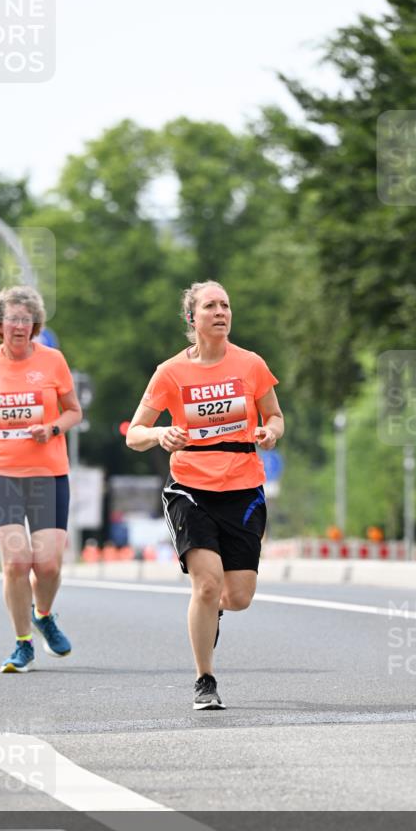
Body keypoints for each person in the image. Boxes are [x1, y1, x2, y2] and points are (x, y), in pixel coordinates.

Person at [127, 280, 284, 710]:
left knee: (238, 597)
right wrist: (161, 433)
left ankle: (211, 608)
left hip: (243, 488)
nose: (221, 312)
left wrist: (269, 432)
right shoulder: (171, 372)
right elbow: (135, 433)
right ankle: (205, 680)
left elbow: (274, 414)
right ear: (191, 318)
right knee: (207, 583)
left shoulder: (250, 365)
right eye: (211, 306)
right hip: (190, 488)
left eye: (226, 305)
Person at [0, 285, 82, 672]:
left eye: (26, 319)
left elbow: (73, 411)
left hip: (48, 474)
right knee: (15, 562)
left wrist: (53, 429)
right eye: (12, 318)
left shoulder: (53, 361)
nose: (19, 326)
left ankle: (43, 614)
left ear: (35, 324)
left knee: (47, 565)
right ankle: (22, 643)